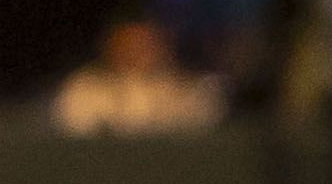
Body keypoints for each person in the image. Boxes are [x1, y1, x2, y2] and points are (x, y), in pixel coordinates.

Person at [52, 9, 222, 135]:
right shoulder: (84, 88)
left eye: (144, 43)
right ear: (110, 44)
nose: (136, 51)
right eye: (128, 43)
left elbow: (202, 126)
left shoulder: (186, 89)